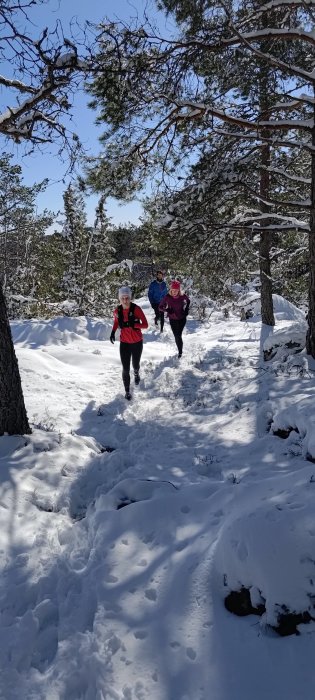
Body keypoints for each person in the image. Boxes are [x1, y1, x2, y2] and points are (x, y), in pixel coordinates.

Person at [110, 286, 148, 400]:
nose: (125, 300)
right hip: (124, 343)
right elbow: (116, 322)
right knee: (125, 368)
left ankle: (136, 373)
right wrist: (112, 332)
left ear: (130, 298)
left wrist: (134, 325)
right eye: (123, 298)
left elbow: (145, 325)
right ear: (119, 299)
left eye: (127, 298)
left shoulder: (136, 309)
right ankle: (127, 391)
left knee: (135, 364)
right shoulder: (117, 311)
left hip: (137, 342)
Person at [159, 280, 190, 358]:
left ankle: (180, 352)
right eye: (173, 290)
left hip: (182, 318)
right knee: (177, 336)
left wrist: (186, 309)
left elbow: (188, 301)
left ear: (179, 290)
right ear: (170, 290)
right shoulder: (167, 297)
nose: (174, 292)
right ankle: (180, 351)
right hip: (173, 319)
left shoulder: (182, 296)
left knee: (178, 335)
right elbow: (160, 307)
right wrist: (167, 310)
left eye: (176, 290)